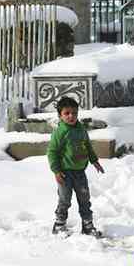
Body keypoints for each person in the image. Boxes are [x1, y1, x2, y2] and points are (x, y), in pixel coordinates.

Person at [48, 96, 104, 237]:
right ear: (60, 116)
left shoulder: (81, 130)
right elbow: (52, 152)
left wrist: (94, 160)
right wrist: (56, 171)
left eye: (74, 113)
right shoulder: (60, 132)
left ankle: (87, 225)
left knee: (84, 199)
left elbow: (87, 146)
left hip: (80, 173)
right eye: (66, 113)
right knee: (65, 199)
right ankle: (59, 224)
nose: (71, 116)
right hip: (65, 174)